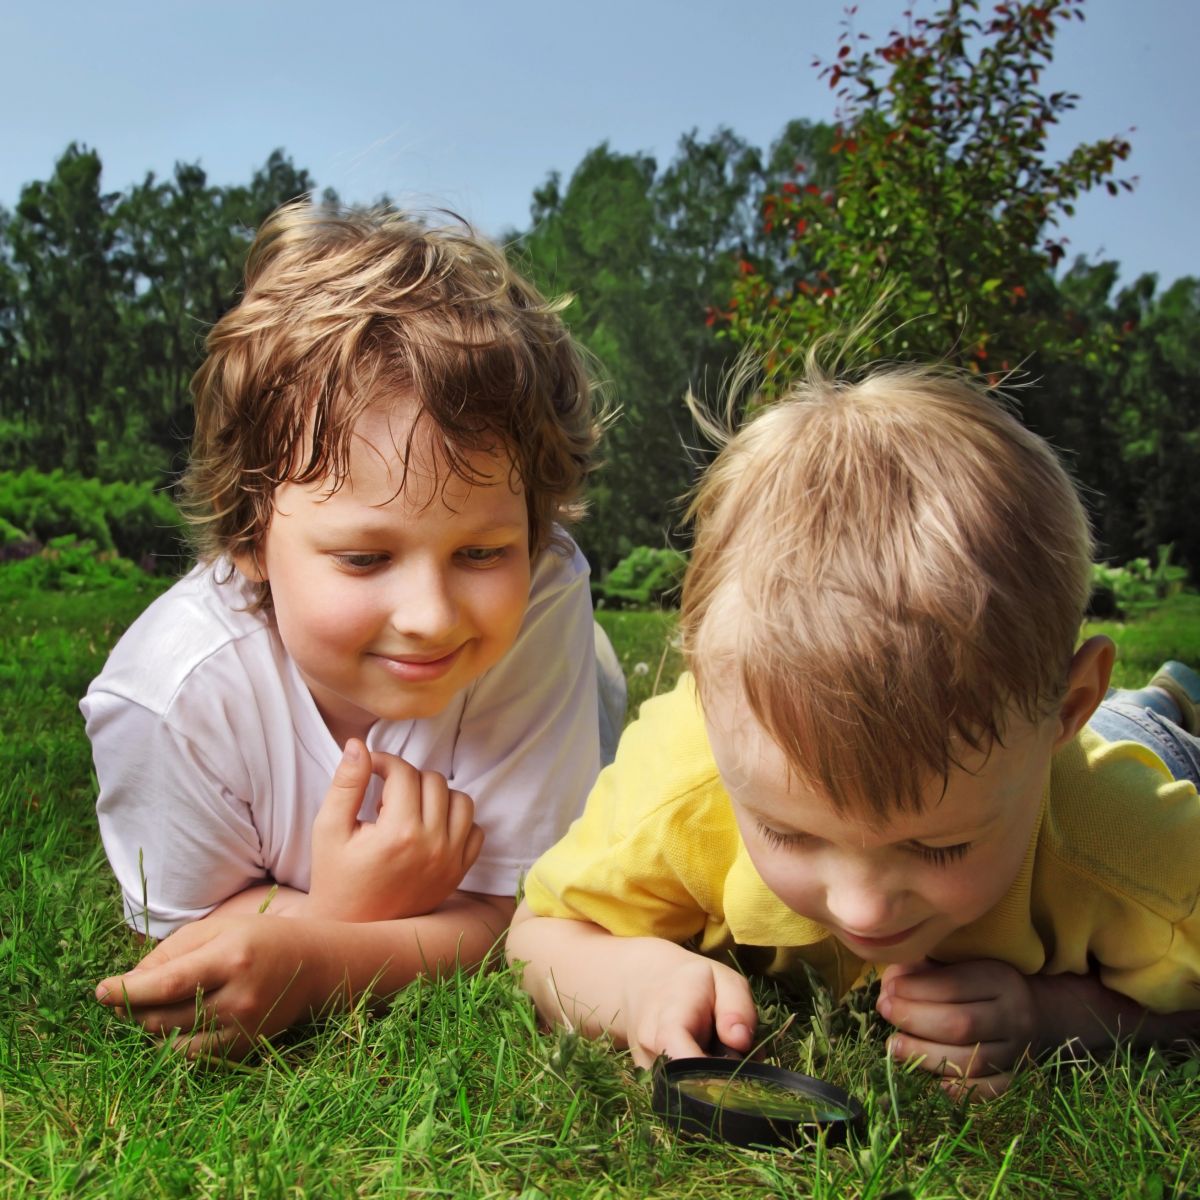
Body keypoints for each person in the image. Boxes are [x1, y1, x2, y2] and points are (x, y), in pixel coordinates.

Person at [507, 360, 1200, 1099]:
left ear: (1065, 709)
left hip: (1138, 750)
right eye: (790, 833)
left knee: (1154, 729)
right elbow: (538, 931)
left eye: (941, 844)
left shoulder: (1124, 839)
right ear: (706, 697)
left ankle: (1163, 702)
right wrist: (628, 977)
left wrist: (1054, 1017)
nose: (863, 907)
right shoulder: (683, 782)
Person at [83, 201, 619, 1057]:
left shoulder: (541, 599)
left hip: (575, 693)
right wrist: (357, 918)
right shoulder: (168, 698)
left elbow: (527, 910)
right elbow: (188, 949)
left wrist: (328, 951)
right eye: (366, 560)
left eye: (481, 551)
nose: (432, 616)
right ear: (248, 536)